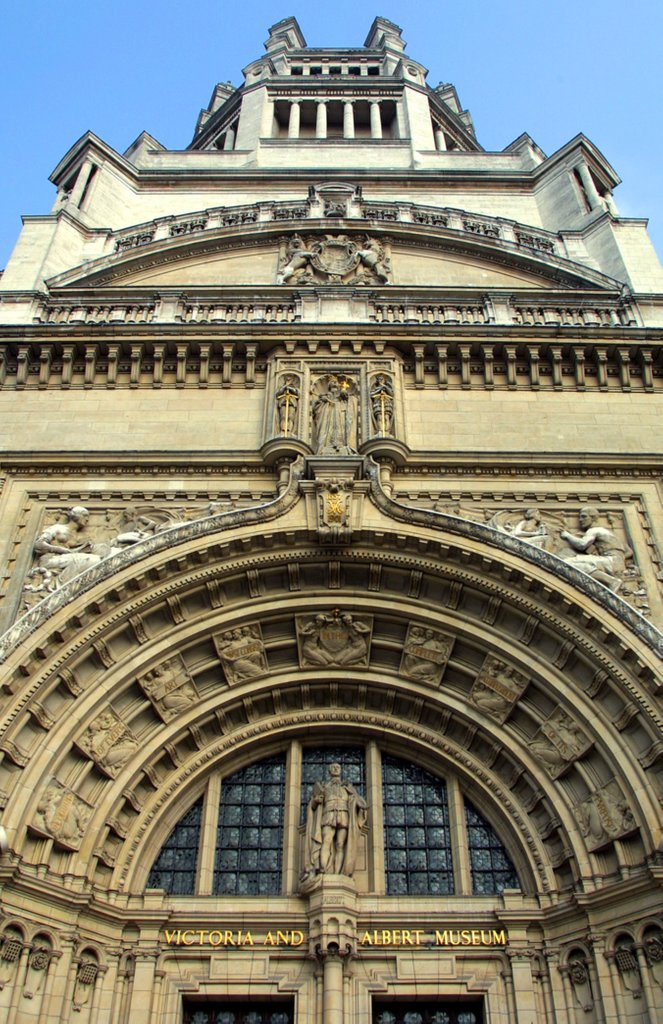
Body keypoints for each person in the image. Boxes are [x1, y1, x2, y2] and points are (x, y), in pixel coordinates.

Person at [303, 763, 367, 878]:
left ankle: (338, 874)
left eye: (338, 767)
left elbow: (361, 804)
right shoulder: (324, 786)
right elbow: (312, 805)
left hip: (343, 814)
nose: (336, 769)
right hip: (328, 814)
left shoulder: (347, 788)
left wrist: (354, 796)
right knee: (326, 841)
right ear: (329, 771)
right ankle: (322, 871)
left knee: (340, 844)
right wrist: (316, 801)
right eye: (333, 767)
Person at [560, 506, 630, 591]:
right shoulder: (611, 533)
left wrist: (567, 535)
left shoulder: (594, 530)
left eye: (584, 516)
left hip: (610, 561)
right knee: (583, 562)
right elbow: (629, 551)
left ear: (593, 517)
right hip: (619, 563)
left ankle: (611, 581)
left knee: (567, 562)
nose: (580, 520)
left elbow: (582, 545)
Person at [311, 376, 357, 455]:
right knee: (327, 430)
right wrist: (322, 401)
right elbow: (315, 409)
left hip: (340, 414)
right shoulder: (323, 396)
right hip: (328, 415)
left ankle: (341, 445)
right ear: (329, 386)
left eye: (336, 382)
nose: (334, 383)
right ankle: (325, 446)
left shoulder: (342, 396)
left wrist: (346, 397)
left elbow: (352, 402)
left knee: (341, 428)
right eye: (332, 382)